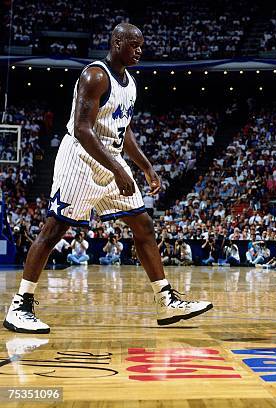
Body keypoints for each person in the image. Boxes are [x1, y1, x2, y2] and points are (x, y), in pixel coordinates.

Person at [3, 23, 211, 334]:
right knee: (54, 228)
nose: (139, 50)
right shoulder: (95, 75)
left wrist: (145, 166)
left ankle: (165, 300)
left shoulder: (131, 84)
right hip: (80, 160)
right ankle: (20, 305)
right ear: (116, 42)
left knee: (143, 225)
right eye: (133, 44)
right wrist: (117, 168)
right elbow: (84, 129)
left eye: (142, 45)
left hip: (110, 160)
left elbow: (123, 129)